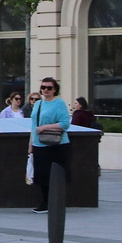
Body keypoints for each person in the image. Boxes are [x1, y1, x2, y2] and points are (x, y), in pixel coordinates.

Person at [28, 76, 71, 213]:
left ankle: (55, 202)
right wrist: (31, 144)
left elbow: (65, 124)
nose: (46, 90)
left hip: (57, 144)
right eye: (43, 87)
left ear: (55, 90)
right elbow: (33, 125)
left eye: (49, 88)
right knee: (41, 175)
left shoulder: (59, 103)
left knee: (56, 175)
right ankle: (45, 202)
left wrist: (45, 127)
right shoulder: (38, 104)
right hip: (39, 144)